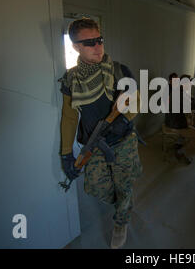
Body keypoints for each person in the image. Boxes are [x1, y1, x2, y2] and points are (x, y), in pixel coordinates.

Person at [59, 18, 142, 249]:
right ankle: (123, 204)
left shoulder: (118, 70)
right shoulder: (71, 79)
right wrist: (66, 153)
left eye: (99, 40)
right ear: (76, 46)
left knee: (124, 185)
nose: (97, 47)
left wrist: (123, 119)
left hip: (122, 140)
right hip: (94, 144)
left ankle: (121, 221)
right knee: (95, 185)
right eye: (89, 43)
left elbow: (136, 100)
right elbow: (69, 116)